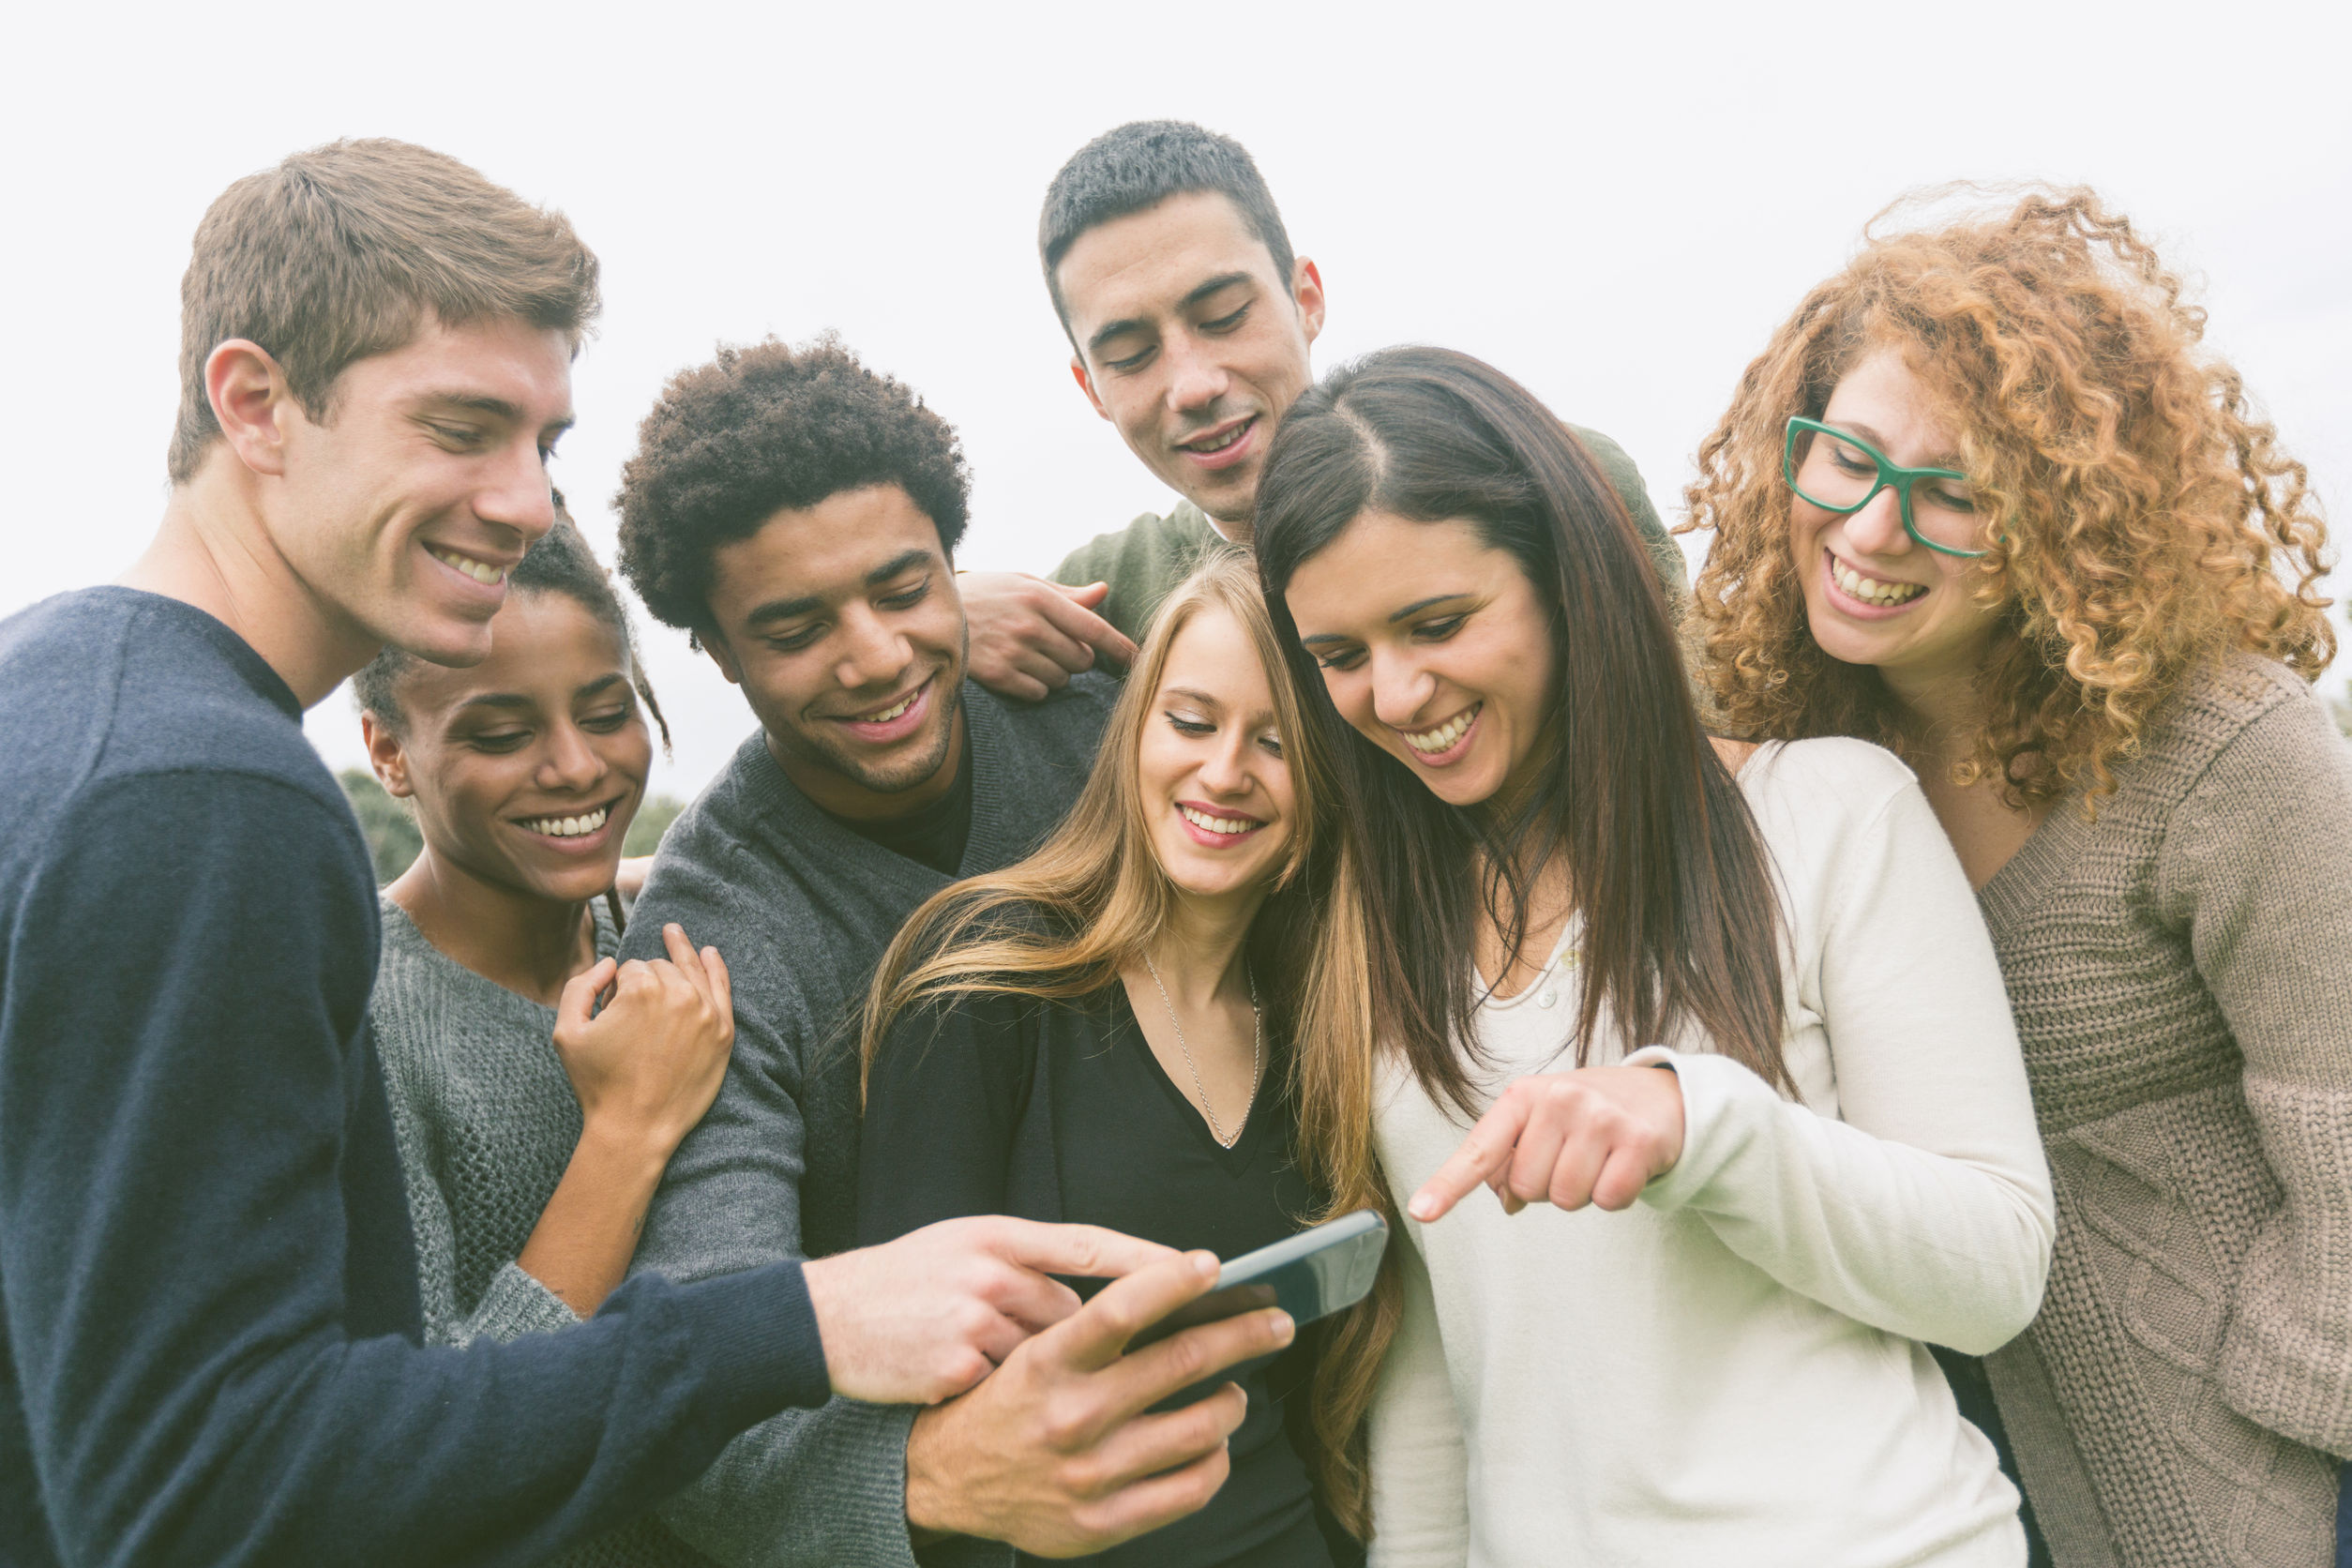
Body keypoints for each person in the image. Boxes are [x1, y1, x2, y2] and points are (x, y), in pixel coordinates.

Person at [0, 138, 1205, 1568]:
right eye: (459, 430)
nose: (521, 502)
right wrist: (799, 1322)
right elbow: (206, 1502)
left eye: (542, 444)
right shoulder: (208, 800)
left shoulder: (59, 691)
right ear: (255, 403)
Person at [1252, 345, 2058, 1565]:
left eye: (1438, 623)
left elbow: (1994, 1269)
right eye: (1341, 656)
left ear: (1567, 582)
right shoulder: (1374, 928)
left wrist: (1702, 1124)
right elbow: (1447, 1366)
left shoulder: (1827, 811)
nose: (1398, 693)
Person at [1681, 188, 2352, 1568]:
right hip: (1935, 1501)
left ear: (2070, 519)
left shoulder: (2225, 749)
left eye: (1960, 495)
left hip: (2253, 1496)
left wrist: (2275, 1443)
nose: (1873, 532)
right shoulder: (1774, 743)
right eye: (1848, 461)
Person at [612, 335, 1297, 1568]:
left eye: (902, 588)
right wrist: (924, 1478)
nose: (874, 654)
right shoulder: (711, 931)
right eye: (796, 626)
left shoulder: (1107, 729)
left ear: (956, 567)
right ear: (714, 654)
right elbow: (703, 1348)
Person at [857, 552, 1368, 1567]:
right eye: (1191, 721)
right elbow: (898, 1404)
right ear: (1132, 732)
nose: (1226, 771)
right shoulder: (989, 974)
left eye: (1276, 742)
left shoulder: (1322, 1020)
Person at [958, 120, 1686, 701]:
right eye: (1130, 356)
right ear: (1093, 391)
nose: (1192, 385)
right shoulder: (1101, 600)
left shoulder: (1558, 480)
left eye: (1223, 315)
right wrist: (942, 615)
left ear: (1306, 298)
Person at [355, 509, 735, 1566]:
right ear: (389, 750)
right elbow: (437, 1461)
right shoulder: (361, 1024)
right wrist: (625, 1134)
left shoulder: (662, 931)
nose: (575, 768)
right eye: (499, 732)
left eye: (607, 710)